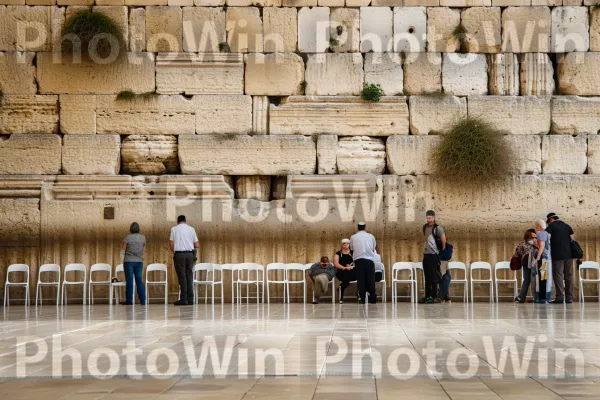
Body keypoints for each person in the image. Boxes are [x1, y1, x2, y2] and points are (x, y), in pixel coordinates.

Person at [170, 215, 199, 306]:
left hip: (179, 254)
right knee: (189, 275)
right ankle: (190, 299)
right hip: (190, 254)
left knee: (182, 276)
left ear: (178, 221)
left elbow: (171, 244)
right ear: (185, 221)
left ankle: (183, 299)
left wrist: (176, 251)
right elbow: (197, 244)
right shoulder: (191, 229)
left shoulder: (174, 229)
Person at [546, 212, 575, 304]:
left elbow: (548, 238)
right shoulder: (567, 226)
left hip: (557, 255)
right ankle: (569, 298)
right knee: (568, 276)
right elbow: (572, 239)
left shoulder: (550, 226)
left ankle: (560, 297)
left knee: (558, 275)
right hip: (568, 255)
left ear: (550, 219)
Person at [420, 210, 446, 304]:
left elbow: (443, 240)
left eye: (430, 218)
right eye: (427, 218)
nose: (429, 219)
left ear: (434, 218)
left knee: (434, 277)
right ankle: (427, 296)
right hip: (426, 255)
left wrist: (440, 251)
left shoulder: (438, 228)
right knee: (427, 276)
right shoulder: (424, 227)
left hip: (434, 255)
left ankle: (434, 296)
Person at [350, 222, 377, 304]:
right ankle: (372, 299)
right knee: (371, 280)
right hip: (369, 260)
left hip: (359, 261)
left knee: (361, 280)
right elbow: (373, 247)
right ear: (365, 227)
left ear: (357, 227)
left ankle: (362, 299)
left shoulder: (353, 237)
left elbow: (351, 248)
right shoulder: (371, 236)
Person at [120, 222, 146, 305]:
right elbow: (143, 248)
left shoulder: (127, 238)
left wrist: (121, 260)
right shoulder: (143, 238)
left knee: (129, 280)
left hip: (129, 262)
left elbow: (123, 251)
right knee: (139, 280)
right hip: (139, 261)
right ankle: (143, 300)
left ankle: (129, 300)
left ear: (130, 229)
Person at [515, 228, 537, 303]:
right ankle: (536, 297)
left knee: (527, 280)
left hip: (527, 262)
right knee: (534, 280)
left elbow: (518, 251)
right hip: (535, 262)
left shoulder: (523, 243)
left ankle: (522, 297)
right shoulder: (537, 242)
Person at [334, 239, 356, 304]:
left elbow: (357, 262)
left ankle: (341, 289)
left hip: (352, 271)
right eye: (344, 243)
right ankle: (341, 295)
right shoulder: (338, 254)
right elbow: (336, 263)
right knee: (345, 274)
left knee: (356, 274)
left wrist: (352, 267)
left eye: (347, 243)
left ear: (349, 244)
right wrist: (344, 267)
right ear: (341, 244)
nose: (346, 244)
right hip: (341, 271)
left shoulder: (353, 253)